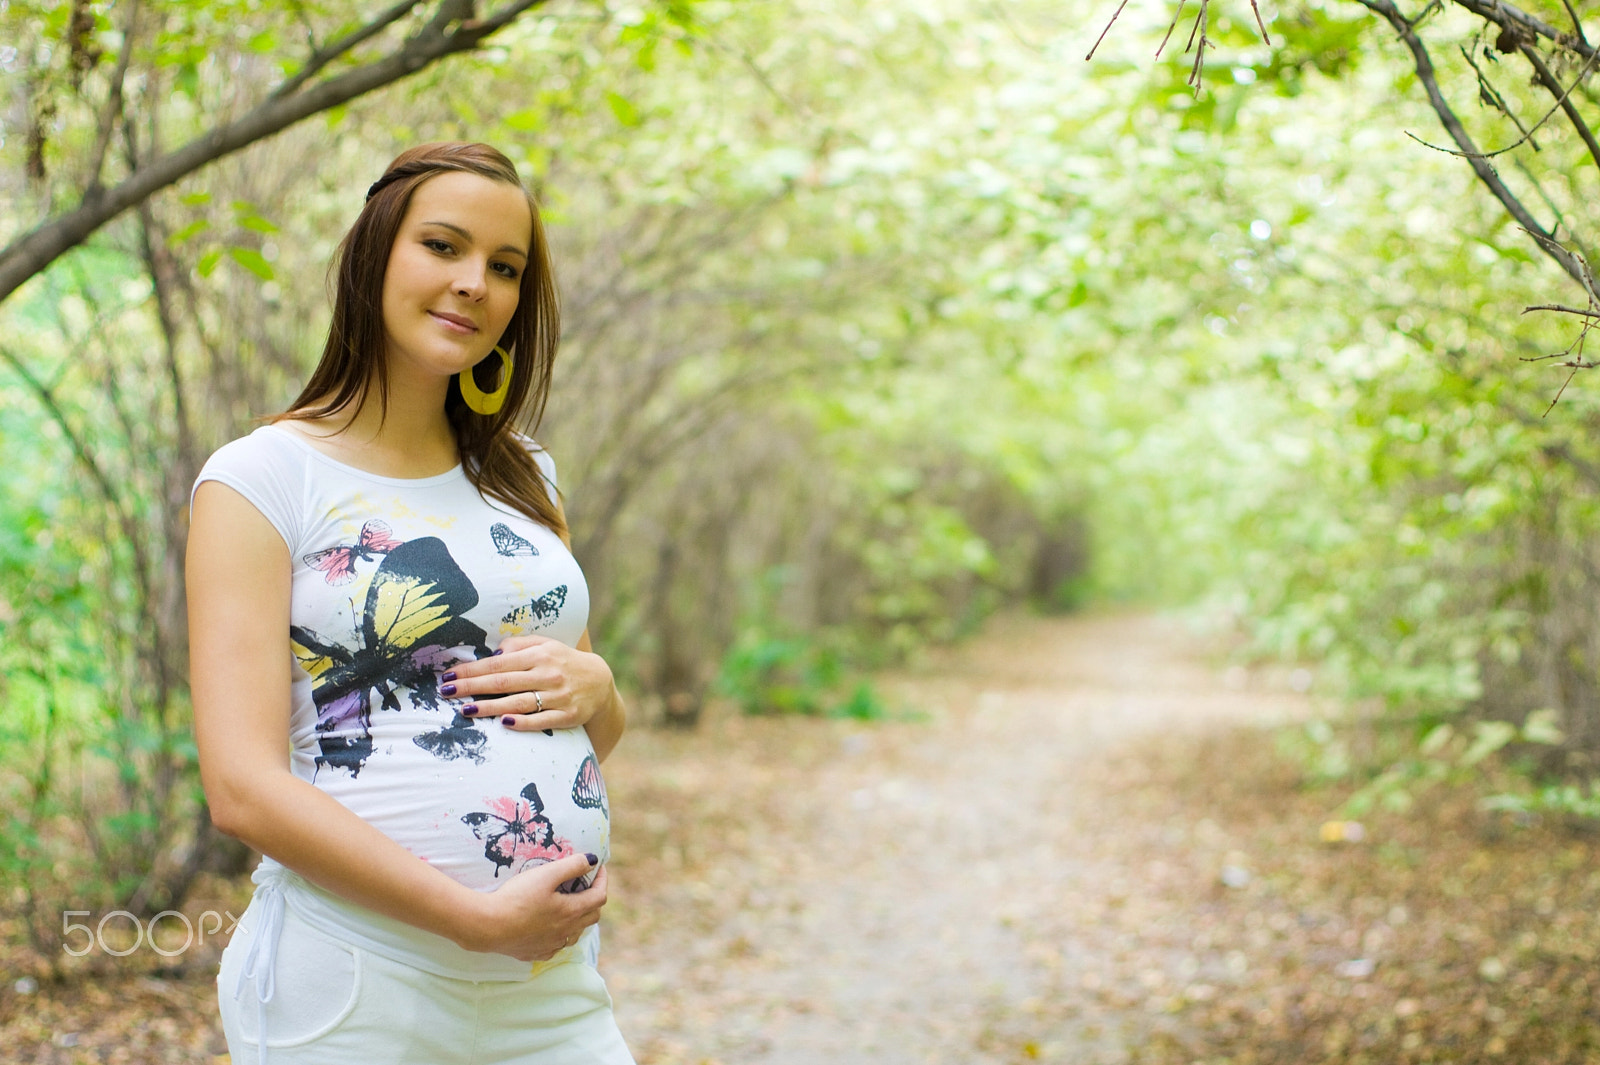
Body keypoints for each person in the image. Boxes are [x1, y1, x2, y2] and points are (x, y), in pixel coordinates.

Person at [186, 142, 634, 1064]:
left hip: (552, 989)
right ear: (374, 255)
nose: (475, 282)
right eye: (444, 246)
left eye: (504, 268)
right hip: (355, 980)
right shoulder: (263, 478)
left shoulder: (523, 476)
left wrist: (600, 688)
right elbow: (241, 787)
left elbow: (580, 722)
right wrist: (471, 918)